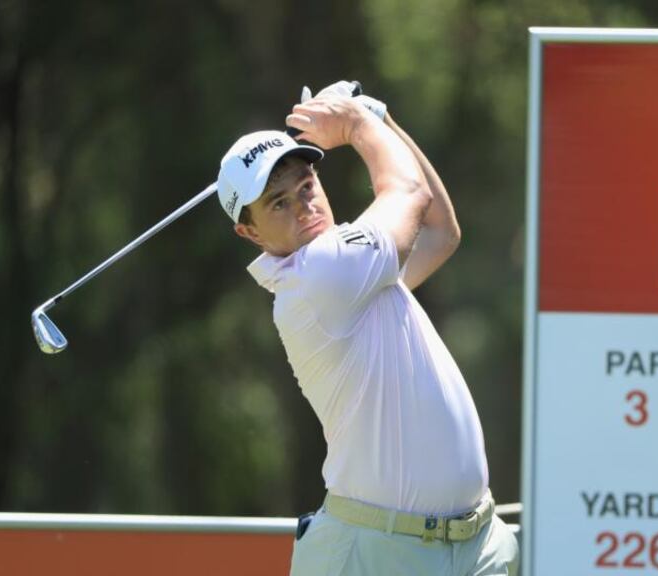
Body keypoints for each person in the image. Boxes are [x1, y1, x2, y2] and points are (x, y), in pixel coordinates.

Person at [215, 81, 519, 575]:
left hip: (474, 544)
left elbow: (440, 231)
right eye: (277, 203)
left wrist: (381, 119)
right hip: (378, 553)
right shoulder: (321, 274)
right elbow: (409, 191)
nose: (303, 207)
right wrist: (357, 124)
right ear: (248, 232)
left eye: (306, 186)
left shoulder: (357, 269)